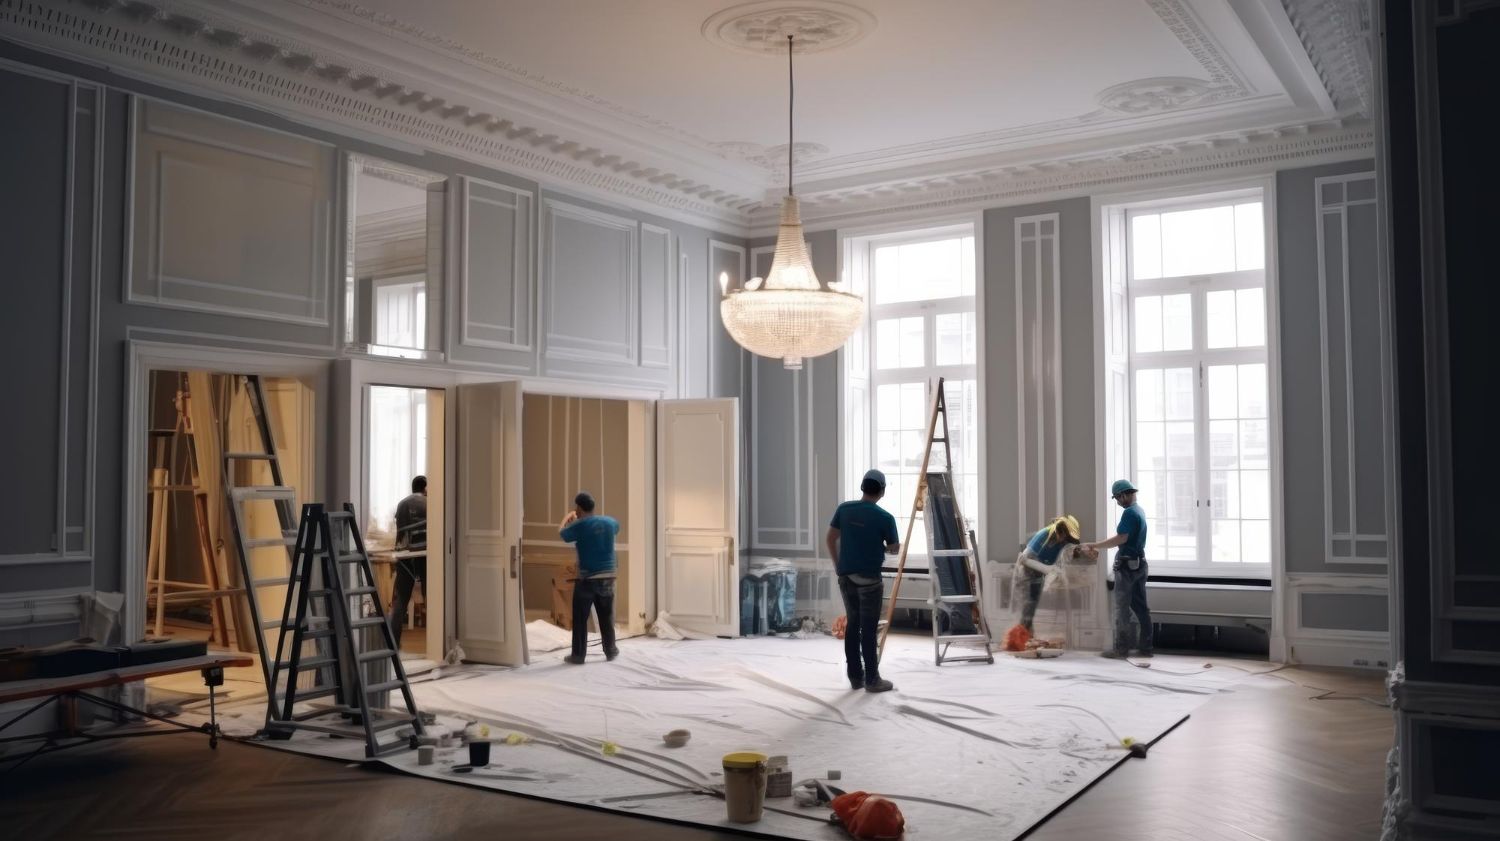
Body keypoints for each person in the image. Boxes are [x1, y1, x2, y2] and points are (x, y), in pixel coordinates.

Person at [825, 469, 900, 693]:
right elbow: (894, 548)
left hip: (846, 577)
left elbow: (830, 538)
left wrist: (838, 566)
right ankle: (872, 679)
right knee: (868, 630)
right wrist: (888, 546)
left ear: (862, 488)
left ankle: (855, 677)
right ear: (882, 491)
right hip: (870, 582)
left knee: (853, 626)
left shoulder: (844, 509)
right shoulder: (885, 518)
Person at [1085, 479, 1151, 659]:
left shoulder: (1129, 513)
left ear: (1123, 495)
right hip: (1140, 564)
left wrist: (1096, 545)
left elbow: (1121, 538)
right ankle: (1146, 648)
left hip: (1127, 567)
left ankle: (1121, 650)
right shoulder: (1140, 510)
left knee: (1121, 609)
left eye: (1117, 498)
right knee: (1141, 608)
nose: (1117, 502)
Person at [559, 491, 620, 664]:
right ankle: (611, 650)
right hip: (609, 576)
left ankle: (578, 655)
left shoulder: (580, 525)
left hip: (588, 578)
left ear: (578, 508)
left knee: (580, 618)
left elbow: (563, 534)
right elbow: (616, 528)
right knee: (606, 616)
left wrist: (568, 518)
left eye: (575, 508)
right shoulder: (610, 522)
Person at [1015, 514, 1092, 633]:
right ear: (1058, 531)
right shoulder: (1043, 535)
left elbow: (1071, 549)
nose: (1062, 540)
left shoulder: (1064, 541)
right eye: (1062, 536)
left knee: (1033, 606)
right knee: (1028, 607)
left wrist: (1084, 551)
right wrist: (1048, 569)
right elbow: (1025, 560)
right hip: (1026, 571)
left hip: (1039, 573)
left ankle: (1027, 635)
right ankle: (1022, 636)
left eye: (1066, 538)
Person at [388, 475, 427, 646]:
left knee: (401, 600)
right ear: (425, 488)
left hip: (404, 556)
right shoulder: (428, 504)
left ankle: (393, 643)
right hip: (423, 555)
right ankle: (434, 644)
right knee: (430, 597)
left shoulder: (401, 504)